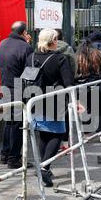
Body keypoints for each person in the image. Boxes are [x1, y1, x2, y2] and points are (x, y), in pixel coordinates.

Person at [26, 28, 75, 188]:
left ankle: (43, 166)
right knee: (58, 134)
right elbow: (68, 83)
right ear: (53, 41)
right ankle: (45, 168)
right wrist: (75, 100)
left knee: (44, 134)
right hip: (55, 101)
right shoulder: (60, 58)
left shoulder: (31, 57)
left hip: (34, 100)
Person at [0, 21, 34, 169]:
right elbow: (30, 73)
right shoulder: (26, 47)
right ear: (24, 32)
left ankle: (5, 154)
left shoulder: (3, 43)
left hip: (5, 86)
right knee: (18, 124)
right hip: (19, 88)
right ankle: (14, 158)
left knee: (8, 122)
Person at [75, 40, 101, 143]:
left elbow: (75, 71)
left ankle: (87, 134)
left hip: (82, 86)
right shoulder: (97, 54)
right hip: (97, 84)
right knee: (100, 110)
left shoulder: (78, 56)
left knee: (84, 109)